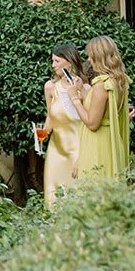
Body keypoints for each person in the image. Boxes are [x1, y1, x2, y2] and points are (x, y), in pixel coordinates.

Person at [69, 35, 132, 182]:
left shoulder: (101, 85)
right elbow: (101, 108)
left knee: (95, 187)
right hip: (110, 141)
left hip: (98, 145)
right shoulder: (119, 80)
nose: (89, 60)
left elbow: (93, 123)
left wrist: (75, 99)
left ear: (98, 57)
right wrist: (82, 90)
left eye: (90, 56)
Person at [41, 44, 87, 210]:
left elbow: (90, 123)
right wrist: (41, 135)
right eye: (52, 61)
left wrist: (83, 156)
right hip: (56, 152)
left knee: (77, 198)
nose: (53, 65)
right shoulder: (50, 87)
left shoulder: (84, 88)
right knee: (52, 199)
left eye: (57, 61)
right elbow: (50, 117)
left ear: (70, 62)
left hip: (78, 151)